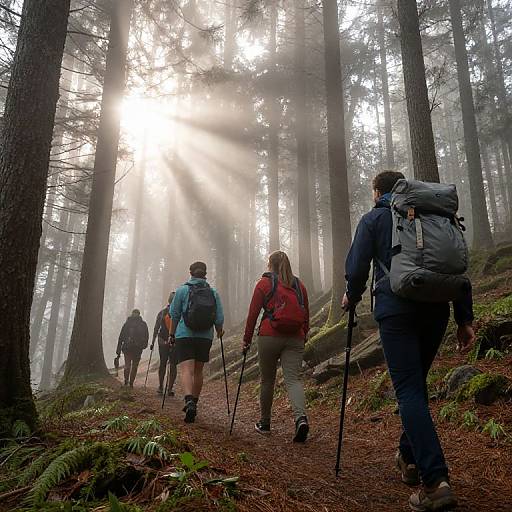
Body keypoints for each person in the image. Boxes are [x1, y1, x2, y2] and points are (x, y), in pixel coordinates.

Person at [343, 171, 475, 511]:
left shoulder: (374, 218)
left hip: (397, 311)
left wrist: (351, 295)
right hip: (436, 310)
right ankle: (409, 458)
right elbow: (456, 266)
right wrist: (465, 318)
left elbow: (357, 267)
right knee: (415, 387)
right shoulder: (434, 215)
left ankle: (435, 481)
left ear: (377, 192)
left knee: (409, 392)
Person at [243, 250, 310, 443]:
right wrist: (304, 333)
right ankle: (300, 419)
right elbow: (306, 313)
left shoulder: (264, 284)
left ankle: (265, 423)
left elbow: (252, 315)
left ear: (270, 265)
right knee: (293, 380)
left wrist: (246, 340)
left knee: (267, 380)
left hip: (269, 336)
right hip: (295, 337)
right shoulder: (299, 285)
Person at [169, 261, 224, 423]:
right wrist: (219, 331)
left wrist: (172, 334)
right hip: (204, 336)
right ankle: (195, 401)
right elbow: (219, 317)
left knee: (187, 370)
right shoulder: (213, 293)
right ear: (205, 273)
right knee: (198, 371)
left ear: (191, 272)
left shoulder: (181, 290)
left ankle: (189, 401)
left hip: (184, 335)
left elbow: (174, 314)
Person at [151, 292, 178, 396]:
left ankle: (162, 387)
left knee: (165, 363)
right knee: (172, 364)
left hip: (164, 341)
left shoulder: (162, 313)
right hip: (173, 341)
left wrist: (153, 342)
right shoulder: (176, 313)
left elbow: (156, 328)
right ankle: (167, 388)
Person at [116, 309, 150, 388]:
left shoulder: (140, 324)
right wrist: (118, 348)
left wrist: (143, 345)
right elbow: (121, 337)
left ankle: (129, 382)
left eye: (136, 313)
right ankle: (127, 381)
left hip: (135, 348)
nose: (135, 315)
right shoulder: (129, 324)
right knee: (129, 366)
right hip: (129, 348)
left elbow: (146, 337)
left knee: (132, 366)